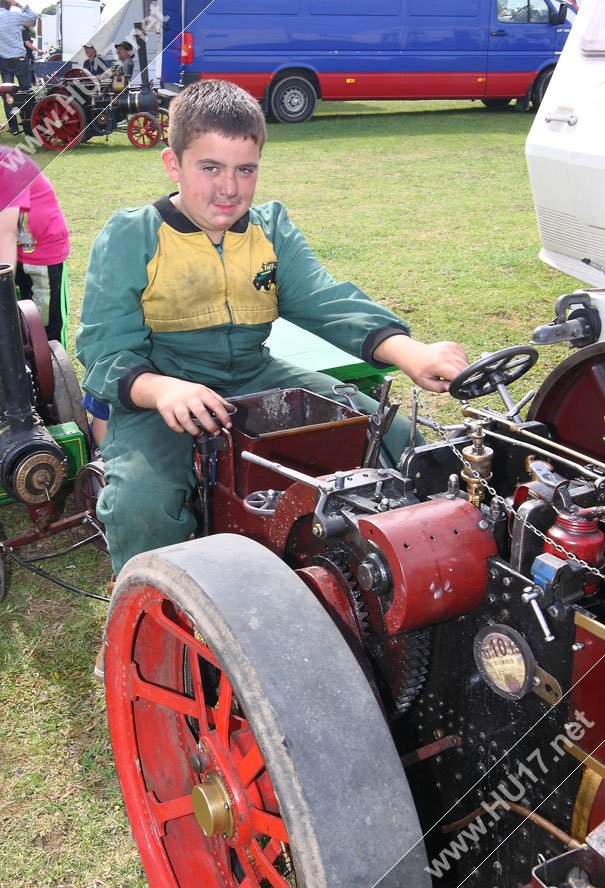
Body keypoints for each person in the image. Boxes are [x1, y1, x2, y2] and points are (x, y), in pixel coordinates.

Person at [76, 78, 468, 581]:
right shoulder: (132, 234)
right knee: (141, 502)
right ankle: (144, 621)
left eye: (246, 170)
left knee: (393, 436)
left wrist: (409, 352)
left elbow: (325, 301)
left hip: (256, 371)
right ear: (173, 164)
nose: (230, 188)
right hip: (160, 389)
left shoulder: (271, 227)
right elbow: (105, 348)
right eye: (210, 167)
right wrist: (159, 388)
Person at [0, 146, 70, 345]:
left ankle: (51, 371)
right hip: (13, 251)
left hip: (42, 254)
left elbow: (6, 232)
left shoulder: (9, 165)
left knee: (45, 327)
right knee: (16, 320)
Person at [0, 0, 38, 134]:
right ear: (9, 5)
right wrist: (18, 5)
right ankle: (28, 123)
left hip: (4, 60)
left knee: (7, 93)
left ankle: (13, 126)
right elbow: (34, 15)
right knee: (26, 91)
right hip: (20, 59)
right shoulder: (14, 16)